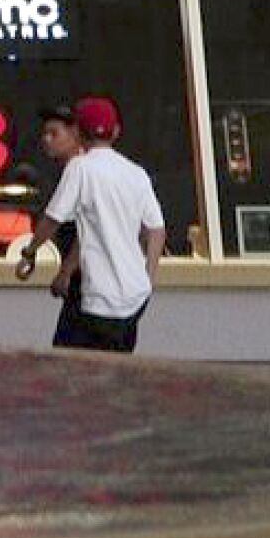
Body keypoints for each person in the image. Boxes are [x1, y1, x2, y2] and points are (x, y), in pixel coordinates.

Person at [15, 96, 165, 352]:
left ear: (78, 132)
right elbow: (156, 230)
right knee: (118, 364)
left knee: (73, 363)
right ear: (116, 131)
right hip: (134, 292)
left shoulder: (80, 169)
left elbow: (54, 218)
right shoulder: (136, 173)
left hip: (99, 293)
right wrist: (148, 276)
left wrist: (30, 252)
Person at [35, 104, 87, 349]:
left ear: (75, 134)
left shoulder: (80, 170)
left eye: (54, 133)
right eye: (44, 134)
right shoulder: (66, 171)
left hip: (86, 278)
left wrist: (66, 270)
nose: (47, 140)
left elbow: (88, 230)